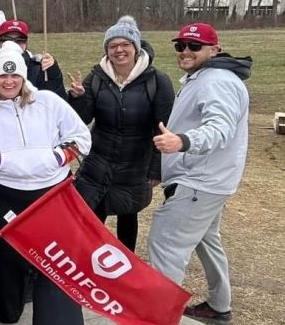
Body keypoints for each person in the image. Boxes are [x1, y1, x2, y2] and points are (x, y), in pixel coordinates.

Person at [0, 42, 91, 325]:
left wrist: (60, 156)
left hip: (52, 193)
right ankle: (8, 310)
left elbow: (81, 137)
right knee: (9, 260)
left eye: (15, 75)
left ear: (23, 77)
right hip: (7, 194)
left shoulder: (48, 101)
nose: (9, 82)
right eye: (2, 77)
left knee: (55, 260)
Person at [147, 23, 252, 323]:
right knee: (207, 240)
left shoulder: (216, 81)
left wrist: (183, 141)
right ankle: (219, 306)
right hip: (210, 181)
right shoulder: (207, 77)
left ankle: (158, 317)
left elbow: (220, 127)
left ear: (214, 50)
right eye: (181, 46)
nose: (186, 52)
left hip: (198, 182)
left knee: (165, 244)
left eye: (195, 46)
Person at [68, 16, 174, 251]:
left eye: (125, 44)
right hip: (99, 161)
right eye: (113, 46)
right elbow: (83, 119)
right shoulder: (97, 77)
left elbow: (165, 127)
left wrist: (156, 168)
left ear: (135, 47)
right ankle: (90, 263)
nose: (119, 50)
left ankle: (125, 266)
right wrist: (78, 97)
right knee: (93, 217)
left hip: (136, 164)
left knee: (128, 215)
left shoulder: (157, 80)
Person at [0, 20, 66, 100]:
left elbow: (57, 103)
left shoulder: (40, 69)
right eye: (7, 39)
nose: (13, 44)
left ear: (26, 44)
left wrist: (54, 73)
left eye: (20, 40)